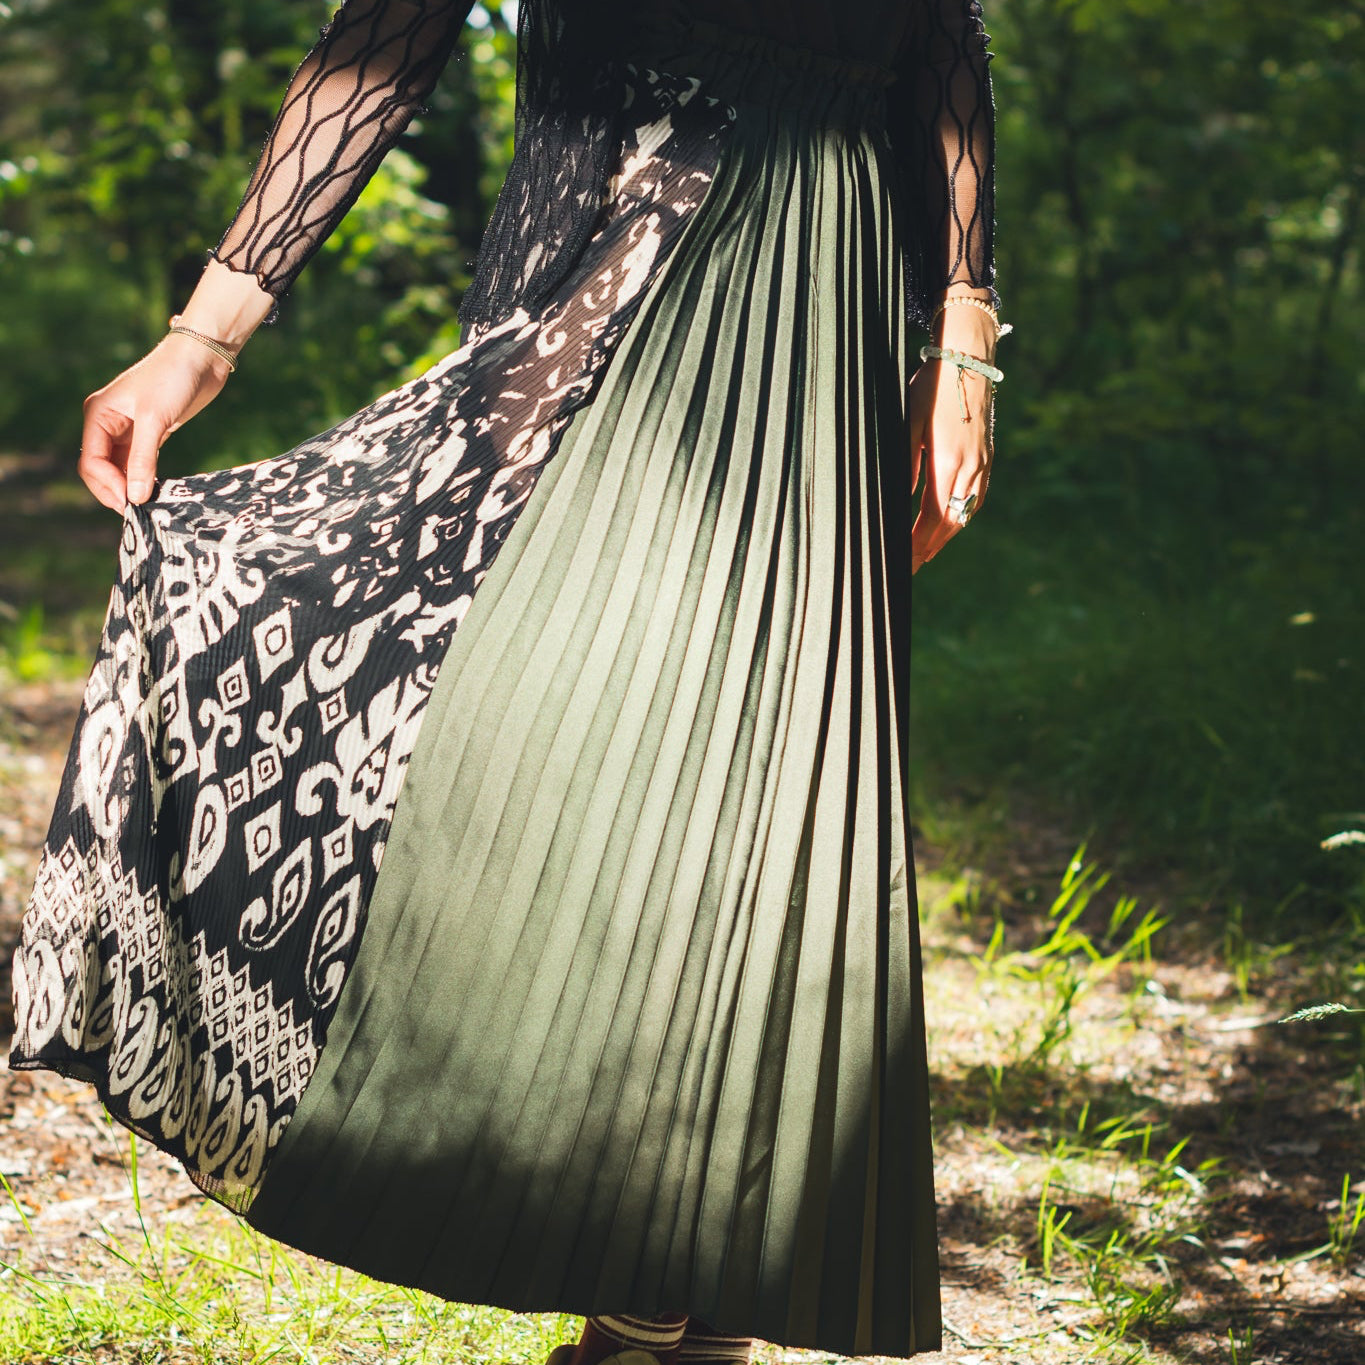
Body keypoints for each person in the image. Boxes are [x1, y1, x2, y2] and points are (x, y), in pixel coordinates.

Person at [8, 1, 1006, 1360]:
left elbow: (937, 37)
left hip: (825, 286)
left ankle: (683, 1291)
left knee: (757, 768)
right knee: (569, 726)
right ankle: (598, 1229)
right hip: (624, 245)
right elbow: (392, 34)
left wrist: (959, 329)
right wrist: (204, 332)